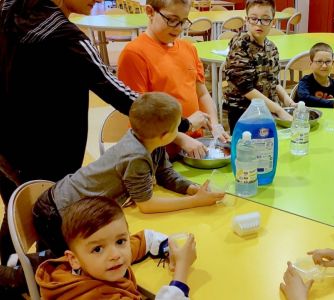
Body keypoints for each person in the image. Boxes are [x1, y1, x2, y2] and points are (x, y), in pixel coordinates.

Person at [0, 0, 206, 267]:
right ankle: (34, 276)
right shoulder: (66, 37)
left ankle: (18, 271)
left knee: (19, 222)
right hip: (48, 154)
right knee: (52, 234)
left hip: (8, 146)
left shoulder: (9, 11)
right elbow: (120, 94)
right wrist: (180, 125)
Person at [32, 92, 224, 257]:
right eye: (178, 127)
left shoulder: (150, 142)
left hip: (67, 205)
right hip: (57, 213)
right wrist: (195, 201)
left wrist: (192, 190)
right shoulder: (136, 156)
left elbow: (165, 174)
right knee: (70, 266)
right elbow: (147, 205)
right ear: (165, 135)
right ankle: (17, 272)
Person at [117, 0, 230, 152]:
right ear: (150, 12)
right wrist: (181, 138)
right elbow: (140, 114)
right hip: (158, 151)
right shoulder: (134, 53)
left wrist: (215, 125)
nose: (178, 28)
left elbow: (202, 93)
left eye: (183, 21)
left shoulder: (189, 49)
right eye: (172, 20)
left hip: (195, 143)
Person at [35, 196, 196, 299]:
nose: (115, 254)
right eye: (97, 249)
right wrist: (182, 269)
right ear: (73, 259)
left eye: (120, 241)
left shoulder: (91, 262)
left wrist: (167, 248)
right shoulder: (97, 295)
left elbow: (145, 238)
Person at [223, 0, 295, 130]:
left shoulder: (271, 47)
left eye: (265, 19)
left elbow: (273, 81)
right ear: (246, 20)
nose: (259, 24)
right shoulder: (240, 46)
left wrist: (288, 101)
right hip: (244, 113)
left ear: (273, 22)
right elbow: (247, 89)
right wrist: (279, 110)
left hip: (268, 110)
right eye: (254, 19)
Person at [295, 42, 334, 108]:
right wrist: (332, 103)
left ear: (332, 63)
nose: (324, 66)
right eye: (319, 61)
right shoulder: (305, 82)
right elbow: (304, 99)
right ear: (311, 64)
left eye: (328, 61)